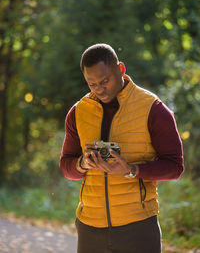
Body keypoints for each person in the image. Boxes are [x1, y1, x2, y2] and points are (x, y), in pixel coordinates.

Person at [60, 43, 184, 253]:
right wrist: (82, 163)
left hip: (138, 227)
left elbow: (175, 167)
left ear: (121, 69)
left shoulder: (153, 109)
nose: (99, 89)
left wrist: (131, 169)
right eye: (92, 84)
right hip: (90, 227)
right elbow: (66, 167)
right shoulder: (78, 112)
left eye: (105, 81)